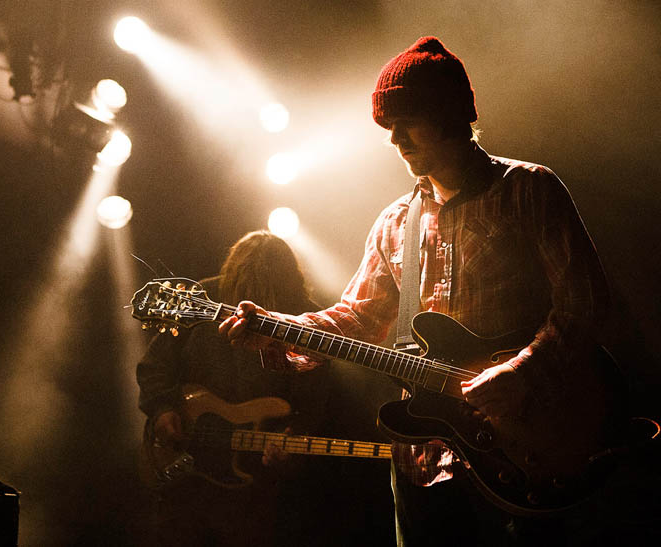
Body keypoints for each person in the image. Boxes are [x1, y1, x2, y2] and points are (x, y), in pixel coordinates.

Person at [219, 36, 611, 545]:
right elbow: (356, 318)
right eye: (387, 127)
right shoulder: (394, 222)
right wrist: (278, 330)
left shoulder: (527, 190)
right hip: (425, 457)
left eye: (406, 123)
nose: (395, 140)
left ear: (449, 115)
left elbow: (586, 303)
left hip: (527, 447)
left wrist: (522, 372)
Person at [136, 230, 331, 547]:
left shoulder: (305, 318)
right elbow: (155, 364)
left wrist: (292, 435)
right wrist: (162, 409)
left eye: (268, 294)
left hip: (254, 481)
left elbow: (313, 397)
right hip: (186, 468)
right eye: (246, 290)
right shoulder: (203, 298)